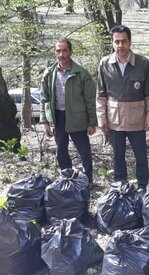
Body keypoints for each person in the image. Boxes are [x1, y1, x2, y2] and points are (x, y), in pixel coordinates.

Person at [96, 25, 149, 191]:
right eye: (116, 42)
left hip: (137, 121)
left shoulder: (142, 63)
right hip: (114, 121)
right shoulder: (104, 64)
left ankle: (143, 186)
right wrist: (101, 117)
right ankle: (120, 186)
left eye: (124, 41)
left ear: (130, 42)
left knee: (141, 156)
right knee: (118, 157)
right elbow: (101, 95)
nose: (120, 46)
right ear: (112, 43)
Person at [40, 38, 97, 183]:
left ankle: (87, 181)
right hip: (58, 117)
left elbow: (90, 100)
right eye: (58, 51)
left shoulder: (81, 74)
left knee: (84, 152)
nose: (61, 54)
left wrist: (92, 122)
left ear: (70, 52)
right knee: (61, 151)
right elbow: (44, 98)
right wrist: (45, 121)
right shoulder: (49, 73)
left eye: (64, 50)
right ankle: (67, 180)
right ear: (55, 53)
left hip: (78, 118)